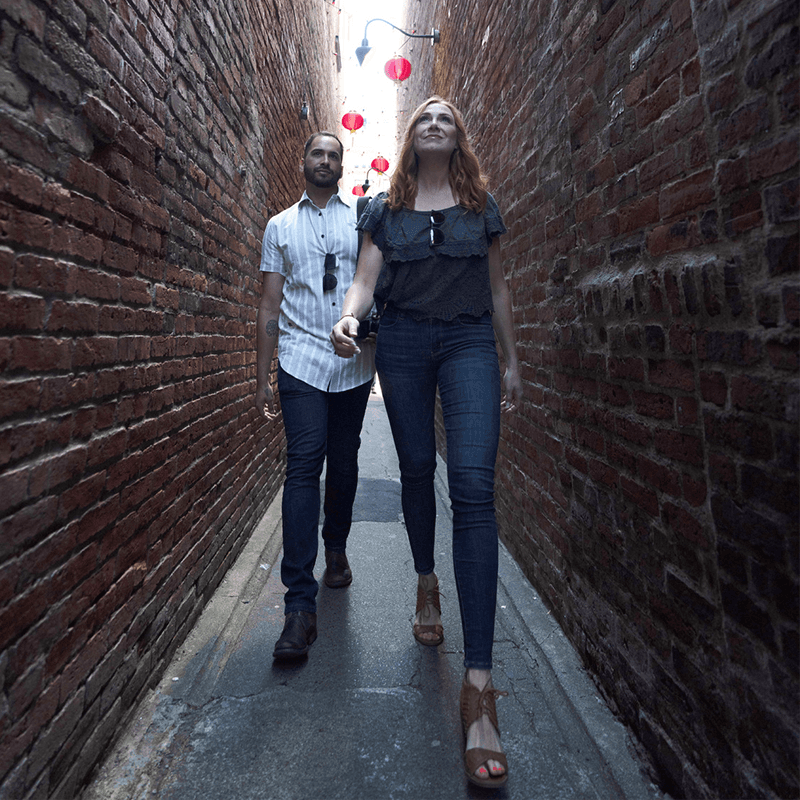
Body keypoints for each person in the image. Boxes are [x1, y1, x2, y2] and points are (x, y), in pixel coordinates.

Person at [330, 97, 522, 788]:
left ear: (457, 136)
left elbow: (499, 289)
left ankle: (478, 691)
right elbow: (363, 280)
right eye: (425, 116)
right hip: (405, 343)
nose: (436, 121)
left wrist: (510, 358)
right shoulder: (384, 210)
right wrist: (349, 320)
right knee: (416, 469)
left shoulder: (483, 205)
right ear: (412, 136)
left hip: (469, 339)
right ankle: (425, 581)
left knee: (472, 487)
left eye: (447, 116)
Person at [256, 131, 375, 661]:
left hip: (353, 363)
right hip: (301, 360)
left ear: (341, 165)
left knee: (344, 460)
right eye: (316, 153)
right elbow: (267, 308)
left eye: (333, 155)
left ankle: (337, 546)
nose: (324, 160)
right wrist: (263, 374)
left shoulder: (364, 219)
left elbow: (375, 283)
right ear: (302, 162)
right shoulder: (279, 226)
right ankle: (299, 609)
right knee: (303, 463)